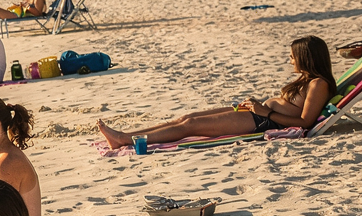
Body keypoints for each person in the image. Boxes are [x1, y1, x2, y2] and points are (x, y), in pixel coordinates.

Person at [97, 35, 337, 149]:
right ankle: (127, 135)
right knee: (186, 118)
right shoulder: (307, 79)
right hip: (258, 113)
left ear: (307, 58)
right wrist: (260, 106)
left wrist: (266, 112)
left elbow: (304, 122)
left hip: (262, 121)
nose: (290, 59)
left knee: (189, 126)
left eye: (293, 56)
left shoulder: (318, 84)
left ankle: (125, 140)